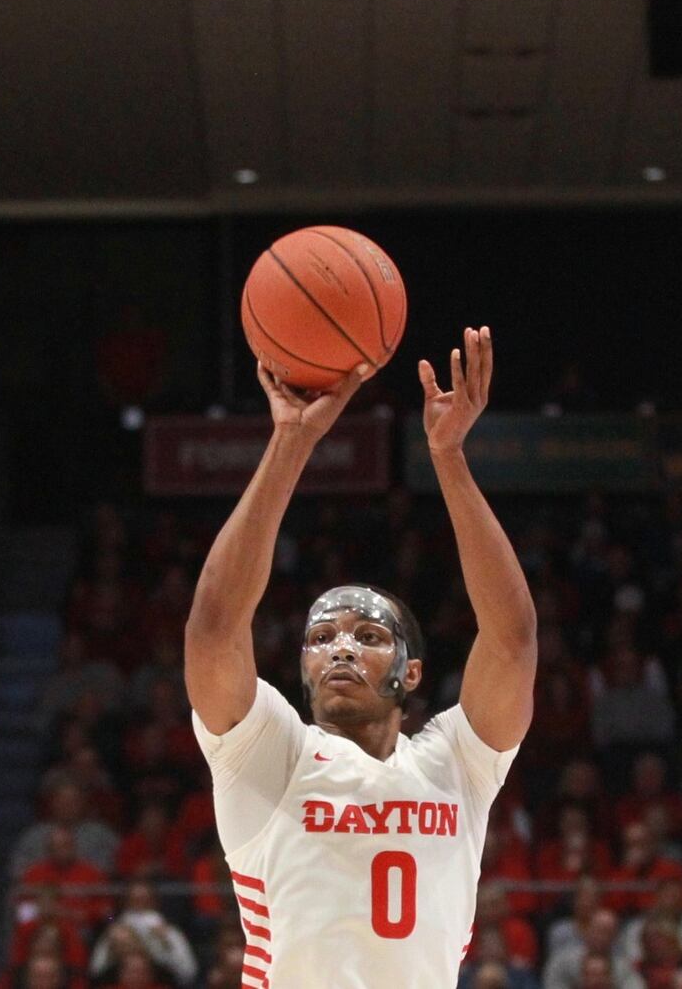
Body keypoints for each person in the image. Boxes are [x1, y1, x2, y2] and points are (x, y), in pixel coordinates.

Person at [184, 327, 537, 988]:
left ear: (411, 674)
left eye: (368, 636)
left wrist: (450, 457)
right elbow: (214, 629)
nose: (340, 645)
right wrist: (290, 443)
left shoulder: (455, 762)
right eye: (321, 638)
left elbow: (513, 639)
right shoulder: (271, 755)